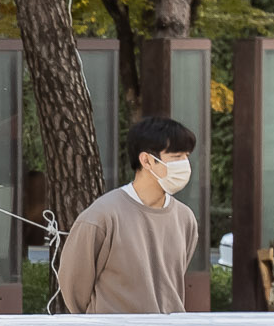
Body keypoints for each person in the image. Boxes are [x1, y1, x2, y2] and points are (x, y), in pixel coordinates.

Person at [54, 116, 202, 314]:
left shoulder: (185, 218)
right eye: (176, 157)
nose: (184, 164)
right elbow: (74, 287)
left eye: (186, 156)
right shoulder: (102, 216)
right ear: (147, 160)